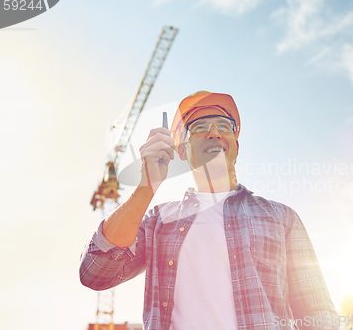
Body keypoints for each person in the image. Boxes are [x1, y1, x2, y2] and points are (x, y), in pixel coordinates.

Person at [80, 91, 339, 330]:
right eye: (200, 127)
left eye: (224, 126)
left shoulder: (282, 218)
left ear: (236, 144)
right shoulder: (159, 221)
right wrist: (146, 186)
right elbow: (95, 273)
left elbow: (318, 314)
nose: (214, 133)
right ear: (181, 150)